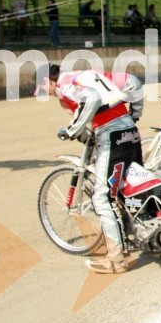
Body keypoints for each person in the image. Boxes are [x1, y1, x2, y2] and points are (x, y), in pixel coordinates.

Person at [44, 64, 144, 274]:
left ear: (50, 80)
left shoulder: (65, 84)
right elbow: (133, 82)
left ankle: (116, 260)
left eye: (43, 86)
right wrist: (134, 114)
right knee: (132, 190)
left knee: (103, 197)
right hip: (130, 132)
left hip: (112, 135)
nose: (45, 91)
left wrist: (72, 130)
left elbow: (90, 98)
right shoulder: (89, 74)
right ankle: (141, 235)